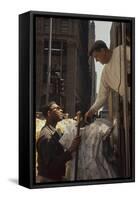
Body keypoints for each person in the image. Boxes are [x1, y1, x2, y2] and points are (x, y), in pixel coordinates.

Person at [85, 40, 130, 122]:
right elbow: (101, 97)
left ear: (103, 50)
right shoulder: (105, 73)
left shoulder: (121, 50)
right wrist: (91, 111)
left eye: (96, 56)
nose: (97, 60)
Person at [36, 101, 81, 182]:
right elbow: (52, 165)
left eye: (61, 108)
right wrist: (71, 149)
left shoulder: (54, 132)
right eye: (57, 108)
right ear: (49, 113)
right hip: (48, 179)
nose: (61, 110)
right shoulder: (46, 136)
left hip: (54, 177)